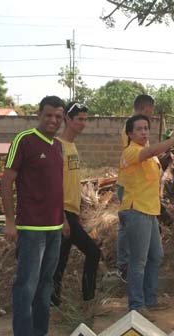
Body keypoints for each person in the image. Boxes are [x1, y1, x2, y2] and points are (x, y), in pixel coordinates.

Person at [2, 96, 69, 336]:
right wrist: (10, 221)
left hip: (54, 227)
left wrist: (62, 218)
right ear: (39, 115)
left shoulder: (57, 147)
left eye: (58, 116)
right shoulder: (25, 140)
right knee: (26, 285)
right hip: (31, 227)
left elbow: (56, 186)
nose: (53, 120)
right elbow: (7, 181)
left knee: (45, 283)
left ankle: (39, 334)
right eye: (48, 115)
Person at [118, 114, 174, 319]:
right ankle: (136, 305)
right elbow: (151, 150)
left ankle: (149, 300)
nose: (143, 132)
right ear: (130, 133)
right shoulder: (132, 151)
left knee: (155, 256)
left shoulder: (148, 154)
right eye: (139, 129)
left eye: (146, 128)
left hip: (149, 211)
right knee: (139, 260)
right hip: (136, 210)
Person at [52, 102, 101, 305]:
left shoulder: (72, 146)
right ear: (68, 120)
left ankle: (54, 302)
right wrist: (62, 217)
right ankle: (87, 299)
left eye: (85, 119)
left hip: (71, 212)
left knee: (60, 261)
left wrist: (76, 211)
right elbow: (53, 185)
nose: (83, 123)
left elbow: (71, 182)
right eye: (79, 119)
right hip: (60, 213)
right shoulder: (57, 146)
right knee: (92, 252)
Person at [114, 94, 155, 282]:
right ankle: (124, 264)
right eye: (150, 110)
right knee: (126, 225)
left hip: (137, 185)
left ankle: (127, 262)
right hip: (130, 184)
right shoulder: (131, 129)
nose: (151, 114)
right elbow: (137, 154)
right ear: (145, 108)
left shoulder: (137, 128)